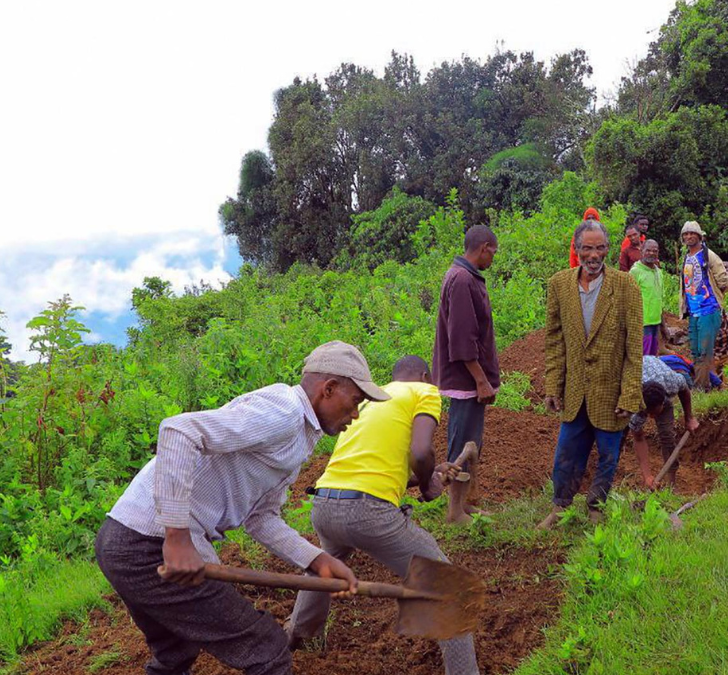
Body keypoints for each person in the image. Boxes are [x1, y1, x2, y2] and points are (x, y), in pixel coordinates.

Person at [95, 341, 381, 675]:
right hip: (147, 545)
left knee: (176, 652)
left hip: (123, 541)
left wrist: (317, 560)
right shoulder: (285, 411)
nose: (356, 414)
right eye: (356, 401)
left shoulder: (299, 435)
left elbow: (259, 518)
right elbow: (178, 430)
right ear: (328, 389)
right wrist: (176, 537)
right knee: (267, 651)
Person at [286, 356, 477, 674]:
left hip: (325, 506)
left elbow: (386, 469)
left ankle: (295, 639)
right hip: (367, 512)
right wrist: (430, 489)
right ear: (425, 376)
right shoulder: (424, 392)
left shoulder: (369, 399)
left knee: (324, 569)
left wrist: (429, 477)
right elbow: (420, 453)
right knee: (448, 588)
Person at [538, 218, 643, 528]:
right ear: (577, 249)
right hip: (574, 391)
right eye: (587, 249)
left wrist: (630, 392)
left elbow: (634, 347)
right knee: (566, 451)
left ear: (608, 250)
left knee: (608, 455)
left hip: (610, 392)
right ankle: (560, 506)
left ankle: (596, 506)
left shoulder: (626, 287)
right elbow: (555, 341)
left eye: (599, 248)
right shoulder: (559, 285)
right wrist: (553, 387)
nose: (593, 255)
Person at [433, 225, 499, 525]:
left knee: (471, 442)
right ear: (484, 247)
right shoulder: (461, 280)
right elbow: (462, 338)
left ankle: (463, 505)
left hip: (470, 379)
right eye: (493, 253)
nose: (493, 259)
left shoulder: (464, 277)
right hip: (466, 380)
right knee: (461, 443)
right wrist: (481, 379)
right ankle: (454, 512)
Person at [629, 355, 699, 490]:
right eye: (648, 414)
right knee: (626, 431)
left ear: (664, 402)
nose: (651, 417)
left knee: (667, 435)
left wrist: (689, 418)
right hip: (636, 379)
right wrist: (647, 476)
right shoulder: (635, 404)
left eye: (655, 413)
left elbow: (684, 390)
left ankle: (671, 483)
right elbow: (638, 439)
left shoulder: (671, 382)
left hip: (658, 375)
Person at [678, 220, 728, 390]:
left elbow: (723, 279)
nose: (689, 236)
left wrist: (714, 298)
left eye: (692, 233)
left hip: (709, 310)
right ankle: (706, 385)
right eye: (685, 234)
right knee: (695, 351)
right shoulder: (687, 258)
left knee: (705, 352)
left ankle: (701, 388)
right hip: (693, 312)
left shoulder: (709, 255)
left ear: (699, 236)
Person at [630, 239, 665, 356]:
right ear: (642, 251)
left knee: (653, 357)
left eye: (654, 251)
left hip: (655, 322)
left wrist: (662, 324)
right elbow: (628, 299)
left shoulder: (658, 272)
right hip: (642, 323)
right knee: (643, 358)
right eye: (648, 250)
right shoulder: (635, 272)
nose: (651, 253)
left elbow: (659, 298)